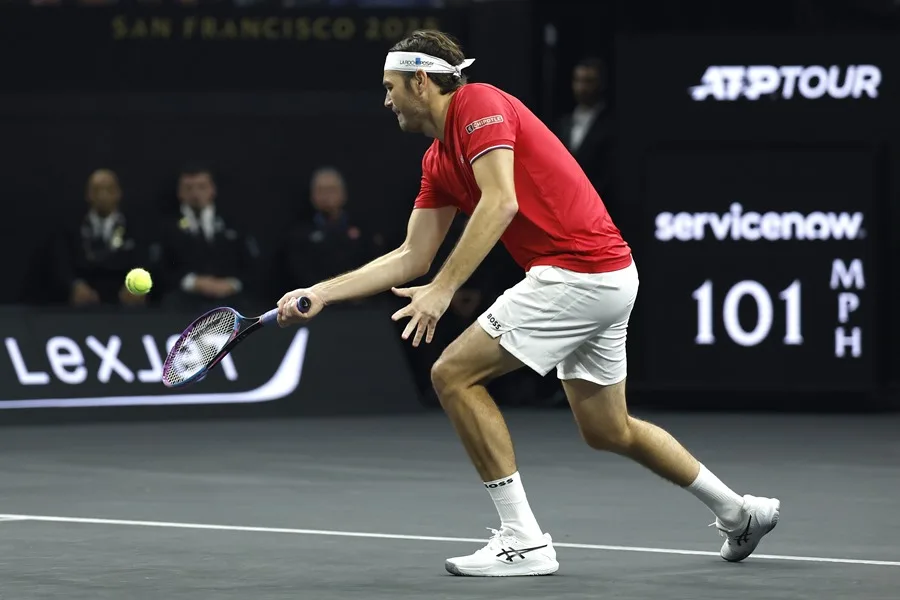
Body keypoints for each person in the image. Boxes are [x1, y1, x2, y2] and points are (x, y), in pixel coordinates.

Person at [275, 30, 780, 577]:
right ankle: (739, 512)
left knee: (453, 375)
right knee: (608, 429)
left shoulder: (478, 103)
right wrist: (319, 292)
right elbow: (411, 256)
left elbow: (501, 202)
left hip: (577, 273)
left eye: (390, 86)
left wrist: (444, 290)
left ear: (421, 81)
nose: (386, 99)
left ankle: (524, 540)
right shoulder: (437, 160)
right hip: (608, 277)